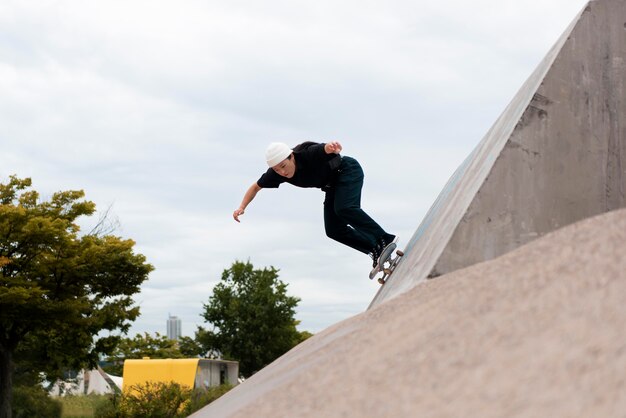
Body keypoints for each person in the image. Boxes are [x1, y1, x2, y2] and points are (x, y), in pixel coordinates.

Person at [233, 141, 397, 268]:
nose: (282, 172)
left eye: (283, 166)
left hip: (348, 171)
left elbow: (323, 149)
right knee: (333, 230)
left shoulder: (306, 154)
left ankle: (385, 238)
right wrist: (242, 207)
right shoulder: (277, 174)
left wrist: (331, 147)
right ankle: (375, 248)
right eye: (277, 170)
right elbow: (255, 187)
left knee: (344, 208)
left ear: (292, 157)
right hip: (332, 186)